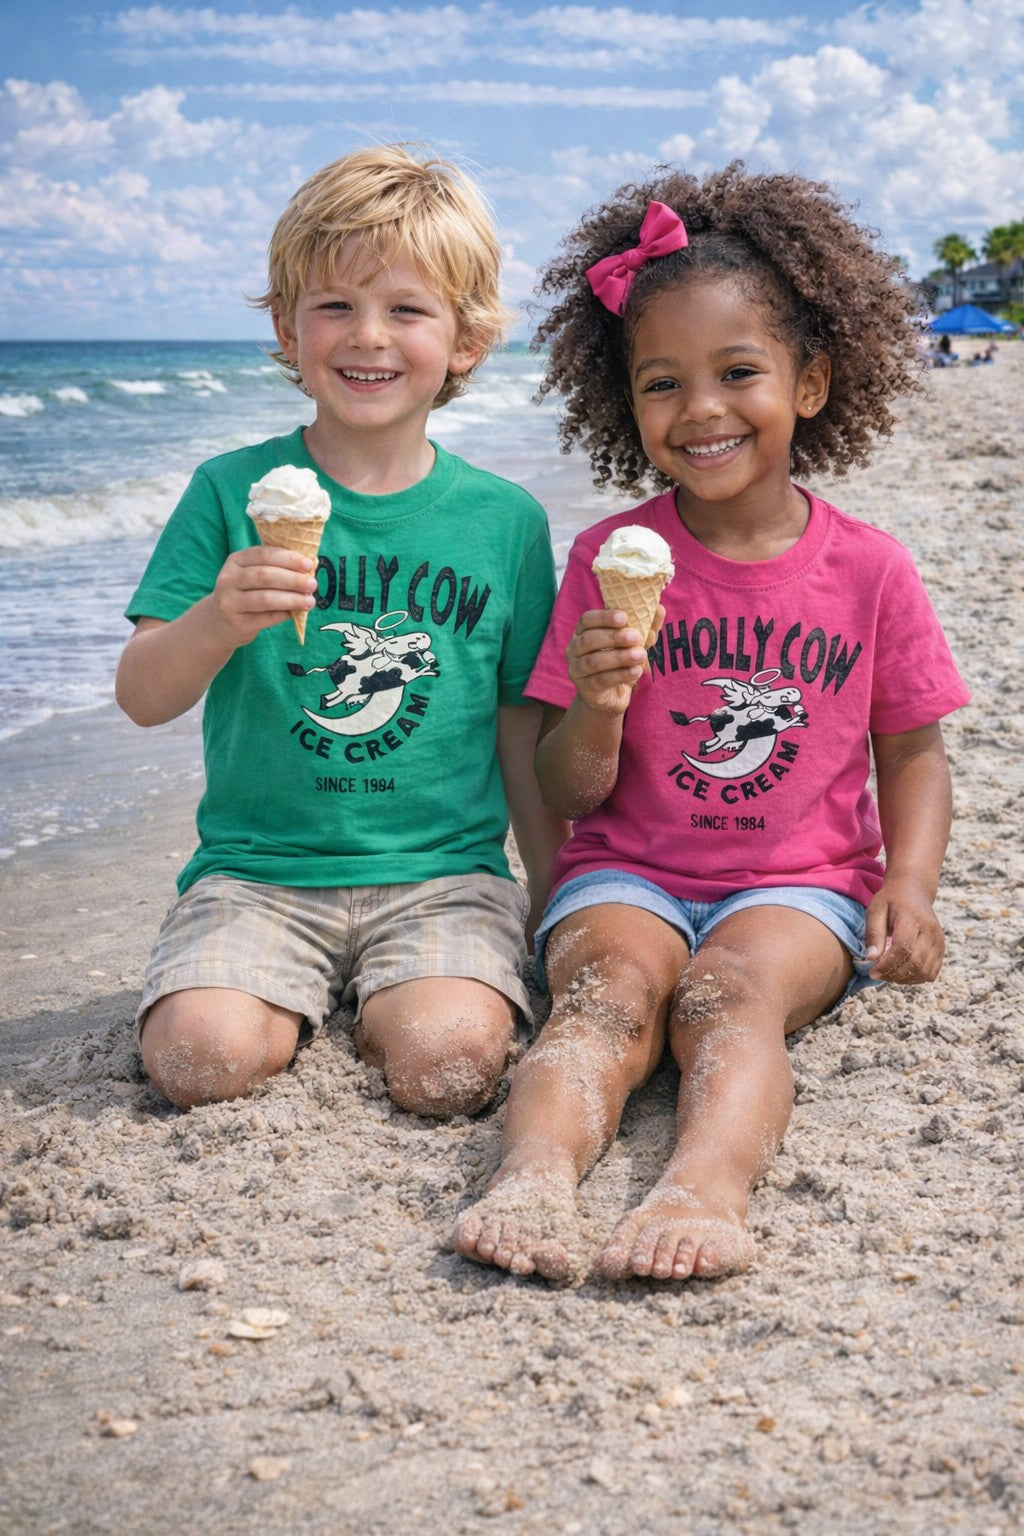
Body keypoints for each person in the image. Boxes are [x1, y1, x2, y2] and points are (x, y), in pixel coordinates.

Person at [452, 163, 970, 1283]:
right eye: (660, 384)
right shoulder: (605, 561)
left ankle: (706, 1185)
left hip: (799, 886)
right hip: (625, 870)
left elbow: (912, 751)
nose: (700, 411)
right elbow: (567, 788)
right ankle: (534, 1172)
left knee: (725, 997)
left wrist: (912, 885)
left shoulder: (869, 571)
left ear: (814, 382)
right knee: (608, 1001)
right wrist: (595, 702)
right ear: (622, 402)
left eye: (738, 372)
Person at [116, 145, 566, 1117]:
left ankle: (394, 1000)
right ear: (286, 328)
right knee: (200, 1063)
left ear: (467, 339)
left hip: (443, 875)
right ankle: (279, 998)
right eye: (334, 306)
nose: (368, 336)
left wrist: (548, 902)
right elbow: (144, 693)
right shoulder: (228, 493)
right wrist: (217, 618)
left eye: (407, 309)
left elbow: (518, 729)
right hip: (257, 874)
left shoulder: (505, 523)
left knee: (448, 1068)